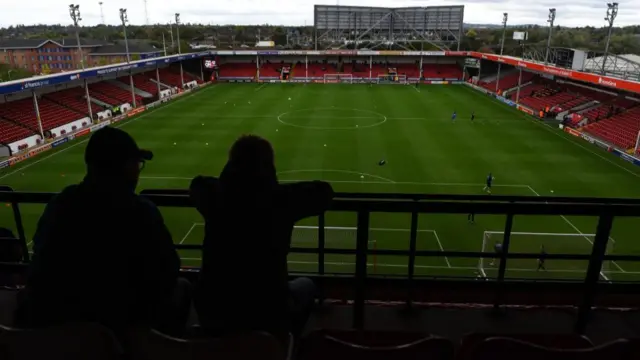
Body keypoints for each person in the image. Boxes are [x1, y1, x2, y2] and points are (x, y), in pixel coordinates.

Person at [16, 127, 189, 336]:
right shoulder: (140, 211)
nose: (138, 171)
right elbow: (168, 270)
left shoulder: (60, 204)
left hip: (56, 329)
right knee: (183, 288)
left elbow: (40, 265)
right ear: (125, 168)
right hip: (123, 329)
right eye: (136, 164)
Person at [190, 134, 334, 341]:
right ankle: (285, 343)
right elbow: (324, 193)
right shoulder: (282, 199)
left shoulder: (214, 194)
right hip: (269, 309)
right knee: (307, 286)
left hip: (213, 308)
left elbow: (198, 185)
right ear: (268, 165)